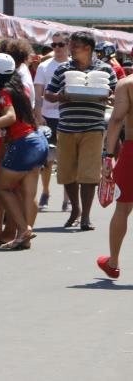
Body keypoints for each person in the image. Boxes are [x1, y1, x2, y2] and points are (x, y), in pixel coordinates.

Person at [0, 53, 47, 250]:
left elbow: (10, 117)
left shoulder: (4, 92)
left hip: (23, 143)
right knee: (27, 194)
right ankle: (23, 238)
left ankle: (23, 229)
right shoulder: (21, 89)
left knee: (0, 186)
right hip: (38, 140)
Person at [45, 31, 117, 231]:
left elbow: (115, 94)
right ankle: (74, 210)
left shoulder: (105, 70)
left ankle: (85, 216)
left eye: (74, 45)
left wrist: (108, 97)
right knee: (67, 172)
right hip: (67, 127)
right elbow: (48, 94)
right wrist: (61, 96)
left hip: (93, 128)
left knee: (89, 174)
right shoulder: (63, 69)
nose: (70, 48)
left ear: (88, 48)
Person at [97, 71, 133, 278]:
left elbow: (117, 118)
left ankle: (113, 262)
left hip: (131, 149)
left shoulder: (126, 84)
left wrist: (107, 157)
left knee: (123, 208)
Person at [33, 32, 71, 212]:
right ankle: (46, 191)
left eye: (60, 45)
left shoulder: (74, 65)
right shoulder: (44, 66)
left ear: (68, 45)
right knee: (46, 160)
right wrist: (38, 114)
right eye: (53, 45)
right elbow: (38, 93)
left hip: (68, 117)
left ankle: (67, 198)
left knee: (66, 160)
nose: (56, 48)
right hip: (48, 118)